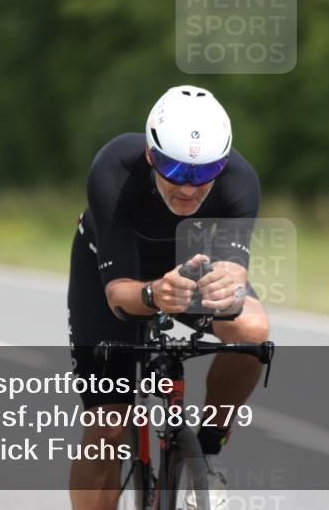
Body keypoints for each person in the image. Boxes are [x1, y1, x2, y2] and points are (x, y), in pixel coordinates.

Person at [68, 85, 267, 510]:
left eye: (204, 173)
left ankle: (209, 446)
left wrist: (227, 288)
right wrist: (155, 292)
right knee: (106, 427)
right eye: (175, 171)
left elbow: (234, 272)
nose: (189, 189)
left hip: (191, 267)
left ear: (223, 163)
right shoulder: (114, 168)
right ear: (150, 156)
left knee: (252, 329)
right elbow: (119, 295)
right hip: (115, 271)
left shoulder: (240, 180)